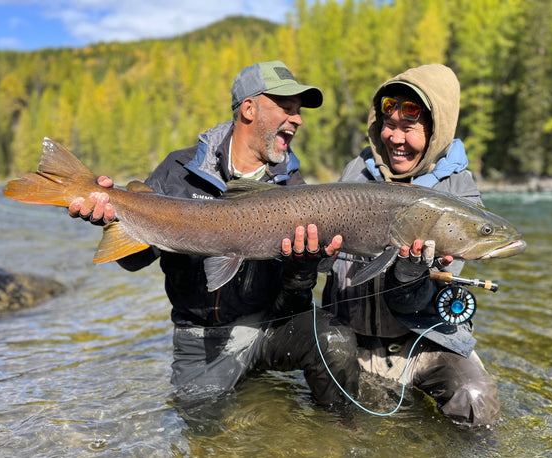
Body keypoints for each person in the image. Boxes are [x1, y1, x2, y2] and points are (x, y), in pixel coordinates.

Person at [69, 61, 359, 410]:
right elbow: (135, 260)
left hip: (272, 326)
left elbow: (298, 293)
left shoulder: (294, 188)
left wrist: (303, 266)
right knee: (203, 433)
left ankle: (338, 432)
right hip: (201, 337)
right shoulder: (179, 171)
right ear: (249, 109)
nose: (297, 119)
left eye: (298, 112)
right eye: (286, 108)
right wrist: (108, 219)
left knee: (335, 340)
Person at [322, 63, 501, 427]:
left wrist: (408, 275)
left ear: (436, 132)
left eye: (409, 128)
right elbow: (323, 266)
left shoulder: (458, 194)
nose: (396, 139)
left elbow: (419, 300)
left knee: (475, 400)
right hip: (349, 340)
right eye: (389, 125)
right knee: (334, 427)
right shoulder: (355, 173)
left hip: (424, 341)